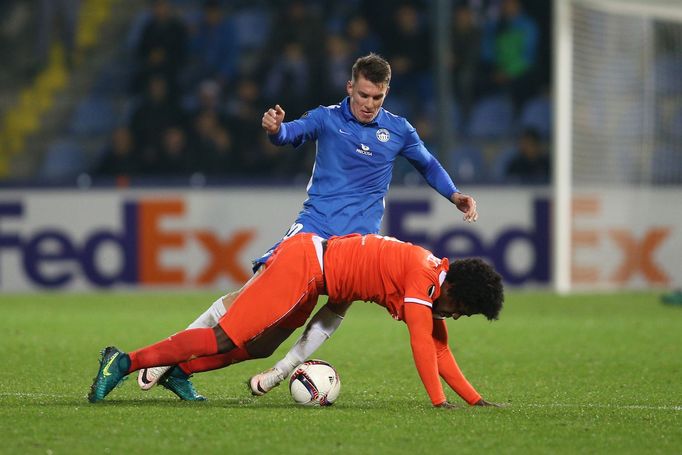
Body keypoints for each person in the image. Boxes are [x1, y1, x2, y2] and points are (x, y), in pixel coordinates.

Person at [137, 53, 479, 398]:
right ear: (350, 87)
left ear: (386, 93)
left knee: (305, 323)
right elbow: (290, 134)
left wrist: (454, 195)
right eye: (363, 95)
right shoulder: (326, 118)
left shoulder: (399, 130)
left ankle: (276, 372)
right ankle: (164, 360)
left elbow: (428, 164)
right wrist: (275, 129)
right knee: (246, 304)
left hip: (358, 241)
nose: (369, 104)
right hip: (313, 231)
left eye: (377, 97)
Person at [89, 233, 504, 408]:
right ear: (455, 293)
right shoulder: (424, 278)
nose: (456, 316)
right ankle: (123, 362)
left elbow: (439, 346)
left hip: (316, 279)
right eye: (462, 310)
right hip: (304, 266)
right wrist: (438, 402)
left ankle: (177, 371)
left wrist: (475, 400)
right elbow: (420, 344)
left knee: (258, 347)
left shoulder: (430, 280)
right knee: (222, 337)